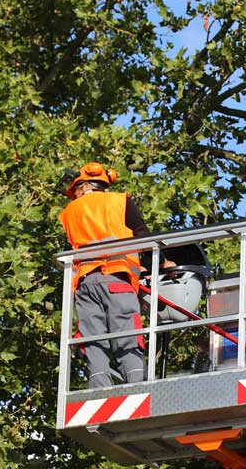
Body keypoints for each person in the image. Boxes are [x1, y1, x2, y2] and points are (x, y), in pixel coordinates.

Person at [58, 162, 170, 389]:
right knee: (127, 331)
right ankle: (138, 385)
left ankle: (98, 387)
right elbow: (142, 235)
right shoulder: (118, 201)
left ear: (83, 185)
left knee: (92, 338)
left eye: (75, 191)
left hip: (85, 282)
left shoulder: (70, 212)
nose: (74, 196)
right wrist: (161, 263)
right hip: (116, 277)